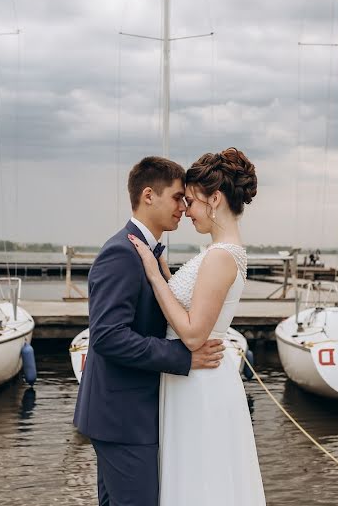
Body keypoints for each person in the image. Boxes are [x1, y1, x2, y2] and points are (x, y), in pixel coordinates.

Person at [73, 156, 226, 506]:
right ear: (148, 196)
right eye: (177, 197)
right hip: (123, 418)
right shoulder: (120, 254)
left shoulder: (144, 253)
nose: (184, 206)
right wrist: (183, 356)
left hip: (130, 414)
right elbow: (108, 337)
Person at [128, 147, 266, 505]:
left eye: (190, 201)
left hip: (201, 384)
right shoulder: (219, 251)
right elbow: (191, 298)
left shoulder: (222, 256)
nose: (186, 210)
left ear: (215, 198)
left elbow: (192, 334)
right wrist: (164, 271)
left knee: (203, 483)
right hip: (192, 381)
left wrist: (153, 276)